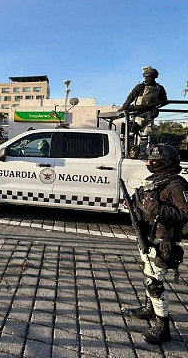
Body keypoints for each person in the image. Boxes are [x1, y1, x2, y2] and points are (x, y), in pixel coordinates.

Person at [128, 144, 187, 344]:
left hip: (165, 240)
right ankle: (149, 310)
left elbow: (186, 212)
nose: (148, 163)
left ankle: (163, 327)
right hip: (150, 237)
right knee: (148, 274)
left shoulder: (176, 184)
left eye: (152, 160)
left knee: (155, 283)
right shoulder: (157, 181)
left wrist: (158, 209)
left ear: (163, 163)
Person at [120, 66, 167, 157]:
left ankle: (141, 154)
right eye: (146, 77)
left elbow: (164, 101)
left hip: (149, 114)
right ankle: (129, 153)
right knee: (132, 133)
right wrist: (124, 108)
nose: (146, 79)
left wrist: (155, 107)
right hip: (138, 114)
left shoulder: (159, 88)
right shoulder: (140, 87)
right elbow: (130, 97)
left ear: (153, 77)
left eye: (148, 77)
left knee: (145, 135)